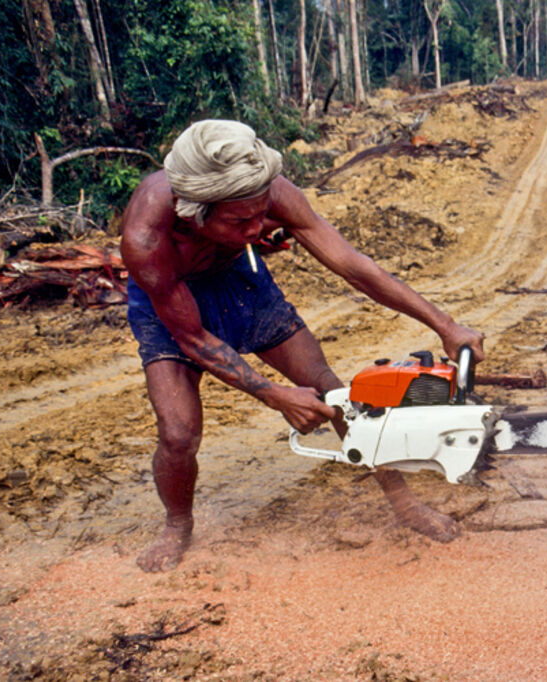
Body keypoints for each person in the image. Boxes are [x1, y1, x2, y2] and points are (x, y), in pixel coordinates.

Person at [120, 119, 485, 572]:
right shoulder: (147, 238)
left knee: (336, 395)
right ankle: (177, 524)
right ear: (196, 211)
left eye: (262, 213)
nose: (260, 227)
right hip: (170, 299)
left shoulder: (270, 191)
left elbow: (353, 266)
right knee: (178, 433)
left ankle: (404, 504)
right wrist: (271, 394)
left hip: (241, 281)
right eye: (242, 220)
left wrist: (444, 324)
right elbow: (193, 337)